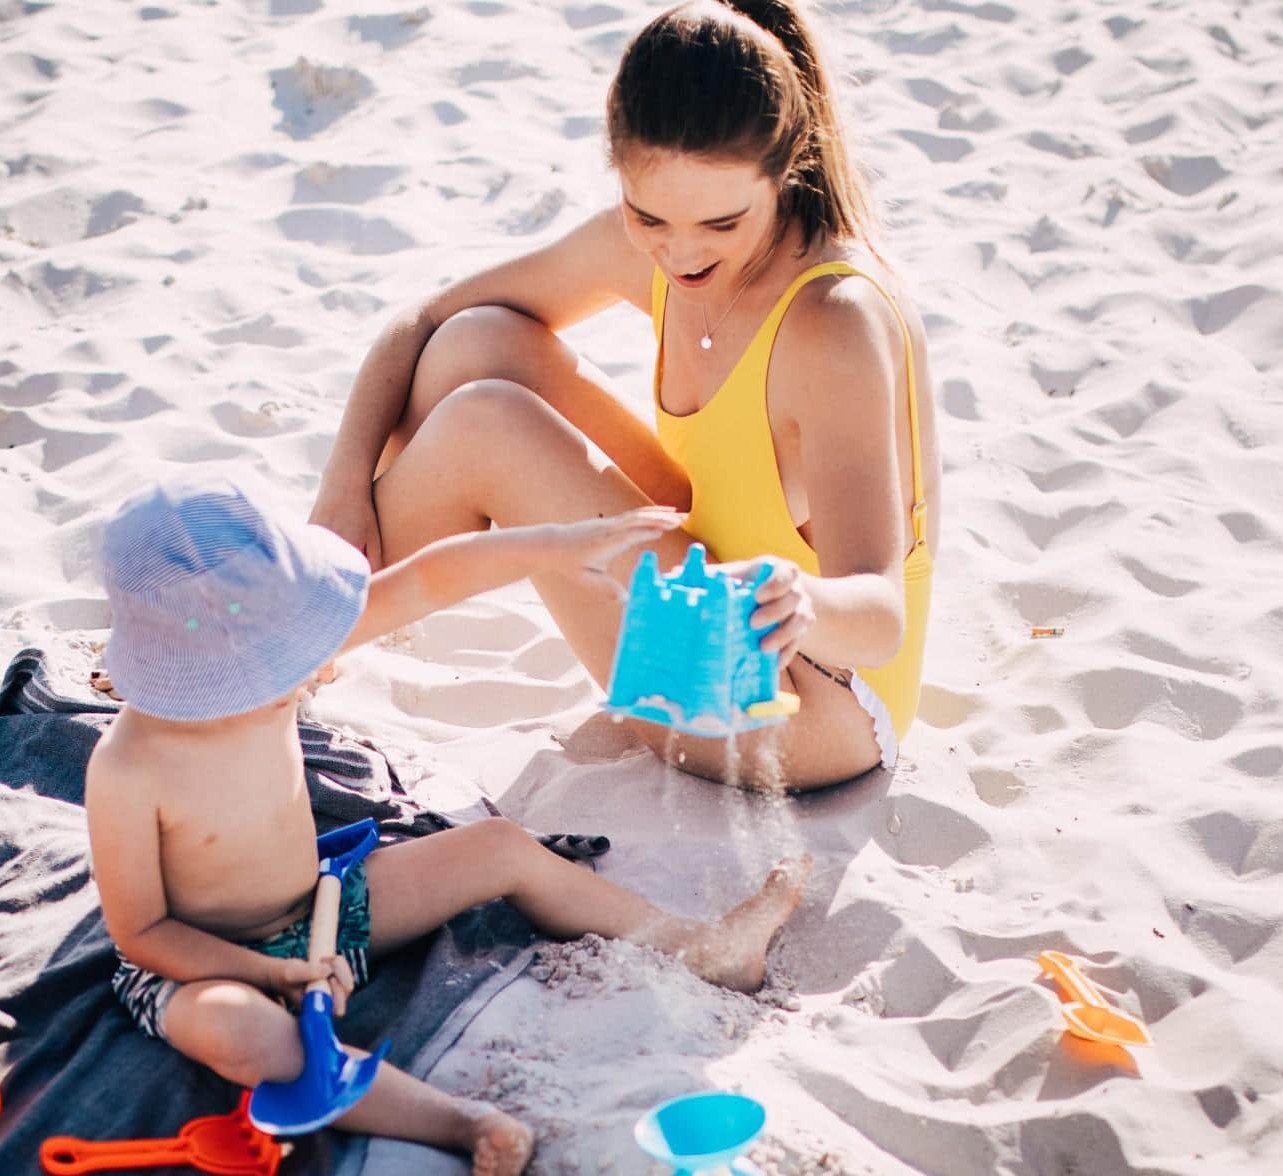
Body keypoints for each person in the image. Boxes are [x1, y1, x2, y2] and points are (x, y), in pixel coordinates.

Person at [84, 476, 808, 1176]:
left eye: (291, 645)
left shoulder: (273, 665)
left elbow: (431, 579)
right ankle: (459, 1122)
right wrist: (273, 975)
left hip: (323, 913)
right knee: (250, 1038)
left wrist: (556, 545)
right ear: (184, 667)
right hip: (199, 966)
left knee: (496, 849)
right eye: (274, 659)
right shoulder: (128, 768)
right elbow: (142, 932)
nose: (302, 669)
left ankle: (708, 949)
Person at [310, 0, 939, 791]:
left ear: (787, 168)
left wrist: (802, 598)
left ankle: (281, 645)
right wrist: (342, 485)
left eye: (721, 222)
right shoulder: (650, 243)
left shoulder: (831, 323)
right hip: (705, 573)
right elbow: (425, 319)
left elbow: (880, 618)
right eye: (650, 216)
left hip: (813, 698)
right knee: (478, 343)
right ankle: (318, 607)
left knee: (487, 428)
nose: (681, 253)